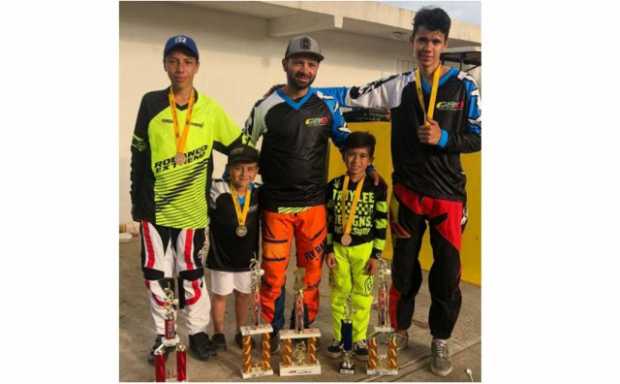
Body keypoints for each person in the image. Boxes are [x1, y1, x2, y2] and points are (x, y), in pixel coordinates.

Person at [315, 7, 482, 376]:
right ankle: (400, 329)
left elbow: (480, 136)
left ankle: (440, 339)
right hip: (406, 196)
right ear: (412, 42)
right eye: (422, 39)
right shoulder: (398, 86)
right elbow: (350, 95)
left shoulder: (464, 87)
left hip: (447, 199)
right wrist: (305, 93)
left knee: (447, 274)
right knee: (403, 272)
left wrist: (445, 138)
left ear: (445, 44)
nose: (428, 47)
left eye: (436, 41)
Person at [243, 35, 381, 352]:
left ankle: (302, 328)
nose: (305, 69)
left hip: (314, 208)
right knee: (273, 277)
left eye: (311, 63)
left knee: (311, 276)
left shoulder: (328, 106)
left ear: (316, 67)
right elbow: (245, 148)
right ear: (285, 65)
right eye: (299, 62)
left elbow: (348, 142)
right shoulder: (265, 106)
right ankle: (271, 330)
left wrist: (369, 167)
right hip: (275, 207)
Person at [130, 34, 246, 362]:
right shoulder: (150, 103)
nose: (180, 68)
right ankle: (164, 334)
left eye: (187, 62)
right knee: (156, 275)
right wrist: (136, 202)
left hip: (193, 212)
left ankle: (196, 332)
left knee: (192, 274)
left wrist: (245, 175)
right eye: (174, 61)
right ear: (165, 64)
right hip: (154, 209)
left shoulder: (209, 109)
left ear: (197, 66)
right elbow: (138, 155)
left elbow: (240, 145)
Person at [324, 131, 388, 361]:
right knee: (339, 294)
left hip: (365, 249)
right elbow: (329, 220)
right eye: (351, 155)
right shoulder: (332, 186)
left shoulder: (377, 186)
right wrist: (329, 249)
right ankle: (341, 337)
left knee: (362, 296)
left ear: (370, 160)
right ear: (343, 156)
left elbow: (381, 223)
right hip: (339, 250)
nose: (356, 161)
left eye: (362, 156)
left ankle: (359, 337)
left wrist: (376, 255)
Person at [206, 145, 261, 350]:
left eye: (250, 169)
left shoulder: (258, 193)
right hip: (221, 258)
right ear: (229, 169)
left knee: (243, 295)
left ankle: (241, 330)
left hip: (247, 258)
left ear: (256, 171)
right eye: (239, 168)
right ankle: (218, 333)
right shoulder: (216, 190)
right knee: (220, 296)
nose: (244, 174)